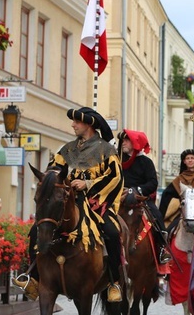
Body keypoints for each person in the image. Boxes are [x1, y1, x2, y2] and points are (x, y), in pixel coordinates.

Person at [16, 107, 124, 303]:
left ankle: (114, 282)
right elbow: (54, 170)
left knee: (112, 232)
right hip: (66, 201)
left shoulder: (107, 150)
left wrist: (88, 183)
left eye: (77, 122)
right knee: (35, 231)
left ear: (88, 125)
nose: (73, 125)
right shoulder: (66, 150)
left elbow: (115, 177)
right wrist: (52, 179)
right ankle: (33, 277)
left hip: (95, 203)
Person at [117, 129, 169, 264]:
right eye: (123, 140)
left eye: (127, 140)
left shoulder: (145, 162)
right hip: (118, 198)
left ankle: (162, 249)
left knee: (157, 216)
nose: (123, 143)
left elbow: (152, 183)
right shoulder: (117, 161)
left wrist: (136, 190)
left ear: (135, 143)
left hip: (139, 198)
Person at [159, 148, 194, 231]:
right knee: (169, 230)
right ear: (184, 161)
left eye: (192, 158)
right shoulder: (179, 179)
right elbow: (167, 195)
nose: (190, 160)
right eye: (187, 158)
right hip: (184, 213)